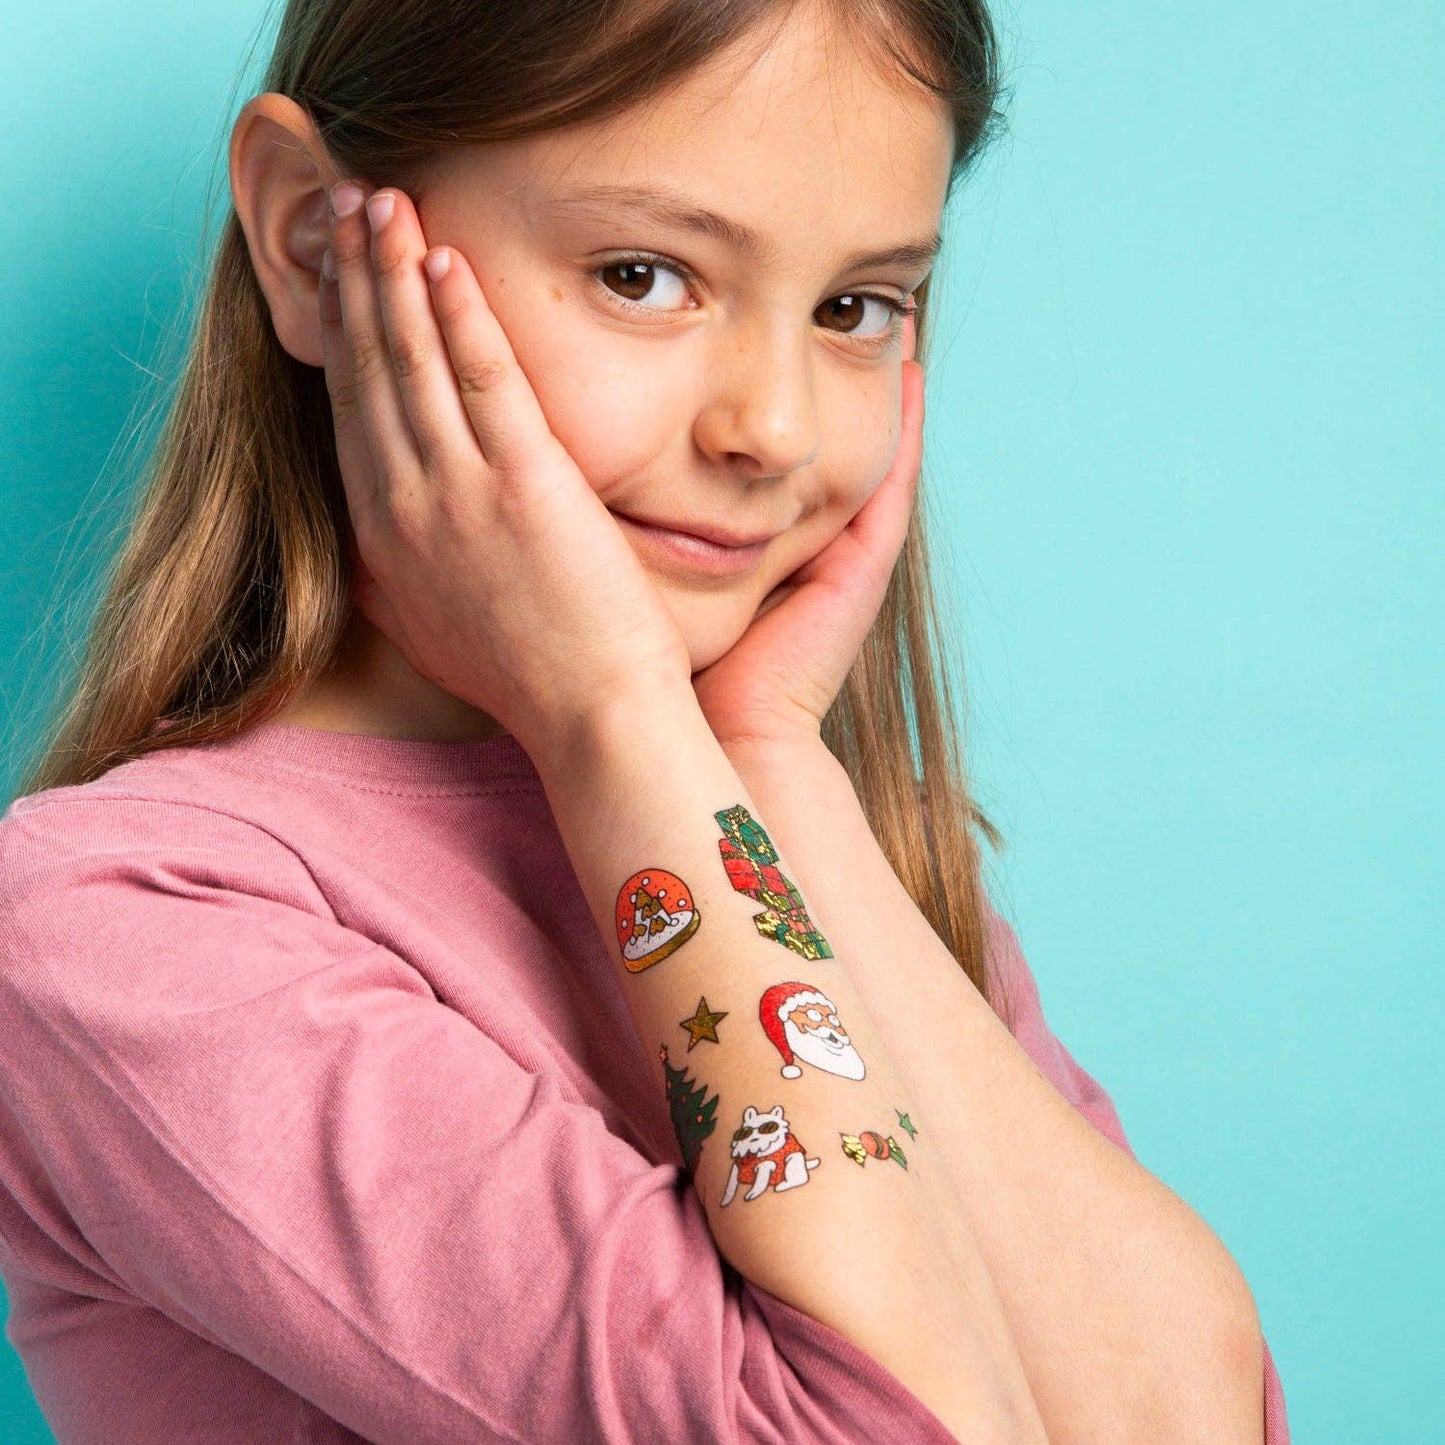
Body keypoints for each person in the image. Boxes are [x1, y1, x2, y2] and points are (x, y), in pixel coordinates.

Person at [0, 0, 1291, 1440]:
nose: (773, 428)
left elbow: (1191, 1420)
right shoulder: (120, 927)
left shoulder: (820, 848)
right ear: (311, 237)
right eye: (643, 275)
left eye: (855, 308)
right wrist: (610, 711)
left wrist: (767, 763)